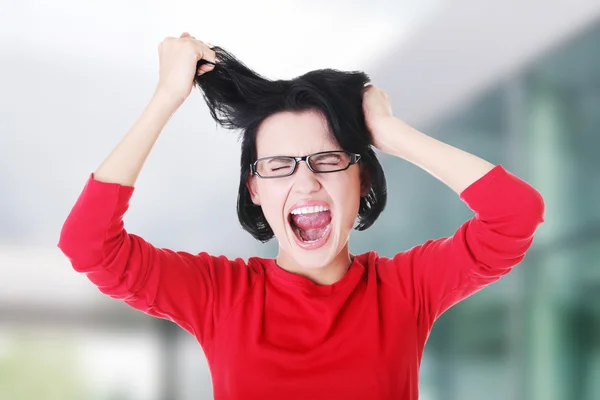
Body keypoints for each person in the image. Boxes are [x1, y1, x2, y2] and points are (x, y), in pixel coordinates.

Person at [57, 32, 545, 400]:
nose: (305, 182)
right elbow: (89, 244)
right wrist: (165, 98)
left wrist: (389, 132)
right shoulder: (220, 296)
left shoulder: (403, 291)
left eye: (329, 160)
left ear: (364, 180)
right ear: (254, 188)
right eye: (278, 166)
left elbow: (516, 214)